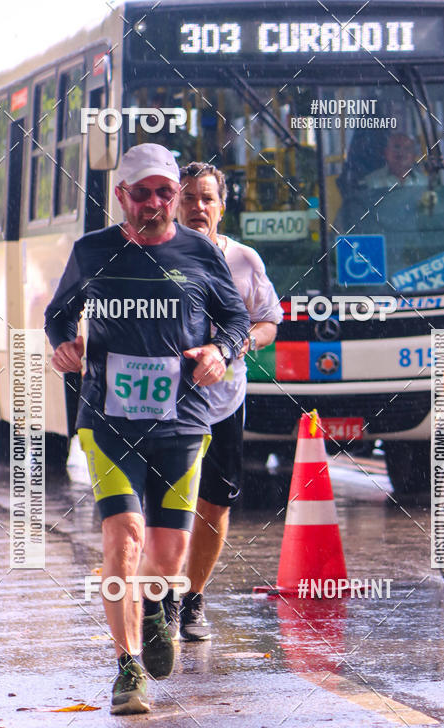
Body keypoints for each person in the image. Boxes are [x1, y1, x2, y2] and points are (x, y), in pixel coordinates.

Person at [44, 145, 249, 715]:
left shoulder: (200, 253)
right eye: (144, 193)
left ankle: (158, 601)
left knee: (167, 553)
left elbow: (235, 319)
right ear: (121, 197)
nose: (157, 203)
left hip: (182, 421)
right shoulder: (93, 252)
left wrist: (219, 349)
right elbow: (58, 313)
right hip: (108, 420)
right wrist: (64, 344)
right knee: (123, 537)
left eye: (166, 192)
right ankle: (127, 667)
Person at [173, 161, 283, 641]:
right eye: (190, 197)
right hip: (167, 405)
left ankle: (192, 599)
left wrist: (239, 343)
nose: (198, 207)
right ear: (175, 202)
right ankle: (160, 599)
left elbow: (269, 321)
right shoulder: (155, 254)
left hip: (224, 403)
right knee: (168, 506)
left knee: (214, 506)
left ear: (222, 205)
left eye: (207, 199)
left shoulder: (244, 260)